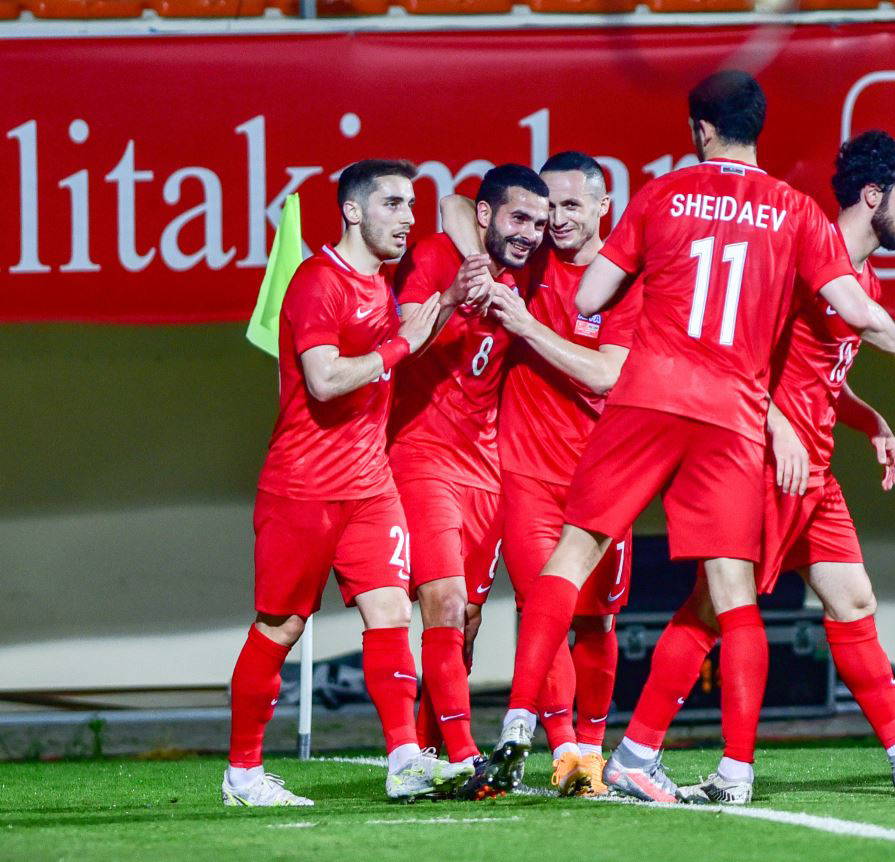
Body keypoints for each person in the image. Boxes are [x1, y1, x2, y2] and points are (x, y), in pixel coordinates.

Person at [481, 69, 895, 802]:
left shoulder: (662, 193)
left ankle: (519, 722)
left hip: (647, 398)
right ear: (758, 127)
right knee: (733, 600)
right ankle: (735, 769)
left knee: (572, 558)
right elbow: (854, 308)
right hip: (731, 416)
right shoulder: (794, 211)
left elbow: (596, 296)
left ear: (699, 128)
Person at [629, 130, 895, 805]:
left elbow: (824, 375)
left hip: (814, 472)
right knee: (712, 609)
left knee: (853, 601)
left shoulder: (865, 275)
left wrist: (870, 421)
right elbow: (740, 360)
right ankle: (641, 753)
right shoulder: (798, 258)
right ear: (872, 194)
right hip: (764, 463)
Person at [223, 159, 475, 806]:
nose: (408, 217)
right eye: (393, 204)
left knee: (391, 611)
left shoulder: (386, 280)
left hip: (370, 486)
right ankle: (243, 774)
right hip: (302, 487)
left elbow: (451, 208)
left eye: (409, 205)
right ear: (354, 212)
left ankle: (404, 760)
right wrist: (398, 347)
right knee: (279, 626)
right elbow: (326, 380)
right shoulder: (316, 282)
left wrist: (450, 300)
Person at [440, 151, 640, 796]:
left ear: (604, 206)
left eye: (571, 206)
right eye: (547, 206)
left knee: (598, 621)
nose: (553, 221)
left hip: (605, 472)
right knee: (541, 609)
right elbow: (452, 203)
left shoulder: (627, 282)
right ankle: (559, 750)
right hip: (524, 471)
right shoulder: (532, 262)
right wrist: (475, 257)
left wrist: (524, 327)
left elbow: (608, 373)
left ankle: (591, 744)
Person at [387, 164, 549, 793]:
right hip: (423, 454)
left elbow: (458, 201)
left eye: (539, 222)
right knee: (444, 603)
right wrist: (456, 290)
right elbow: (404, 344)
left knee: (471, 619)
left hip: (486, 470)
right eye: (518, 218)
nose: (531, 233)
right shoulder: (432, 257)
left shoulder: (523, 272)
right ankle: (462, 754)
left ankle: (431, 749)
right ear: (487, 217)